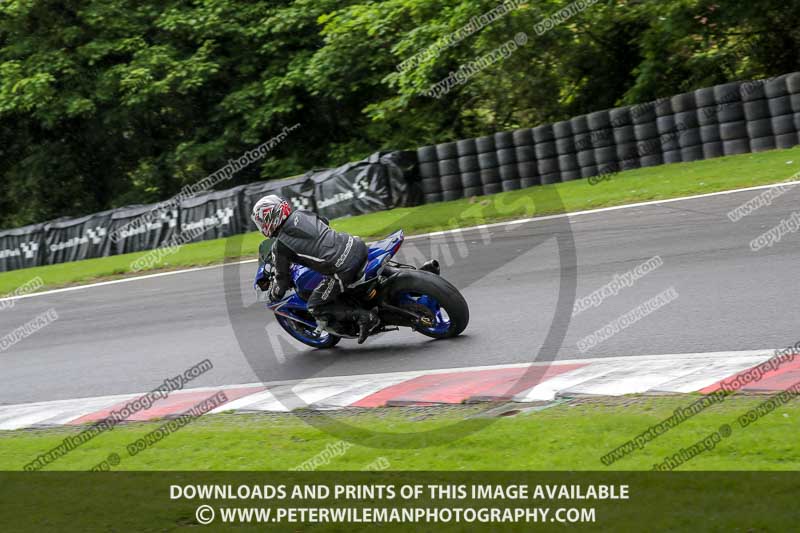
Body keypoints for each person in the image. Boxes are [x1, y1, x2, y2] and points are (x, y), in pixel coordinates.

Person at [251, 195, 379, 344]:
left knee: (315, 306)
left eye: (261, 222)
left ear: (270, 219)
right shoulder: (302, 213)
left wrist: (274, 294)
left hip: (342, 269)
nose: (261, 226)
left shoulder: (280, 247)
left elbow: (282, 280)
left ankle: (364, 318)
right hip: (355, 244)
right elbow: (324, 222)